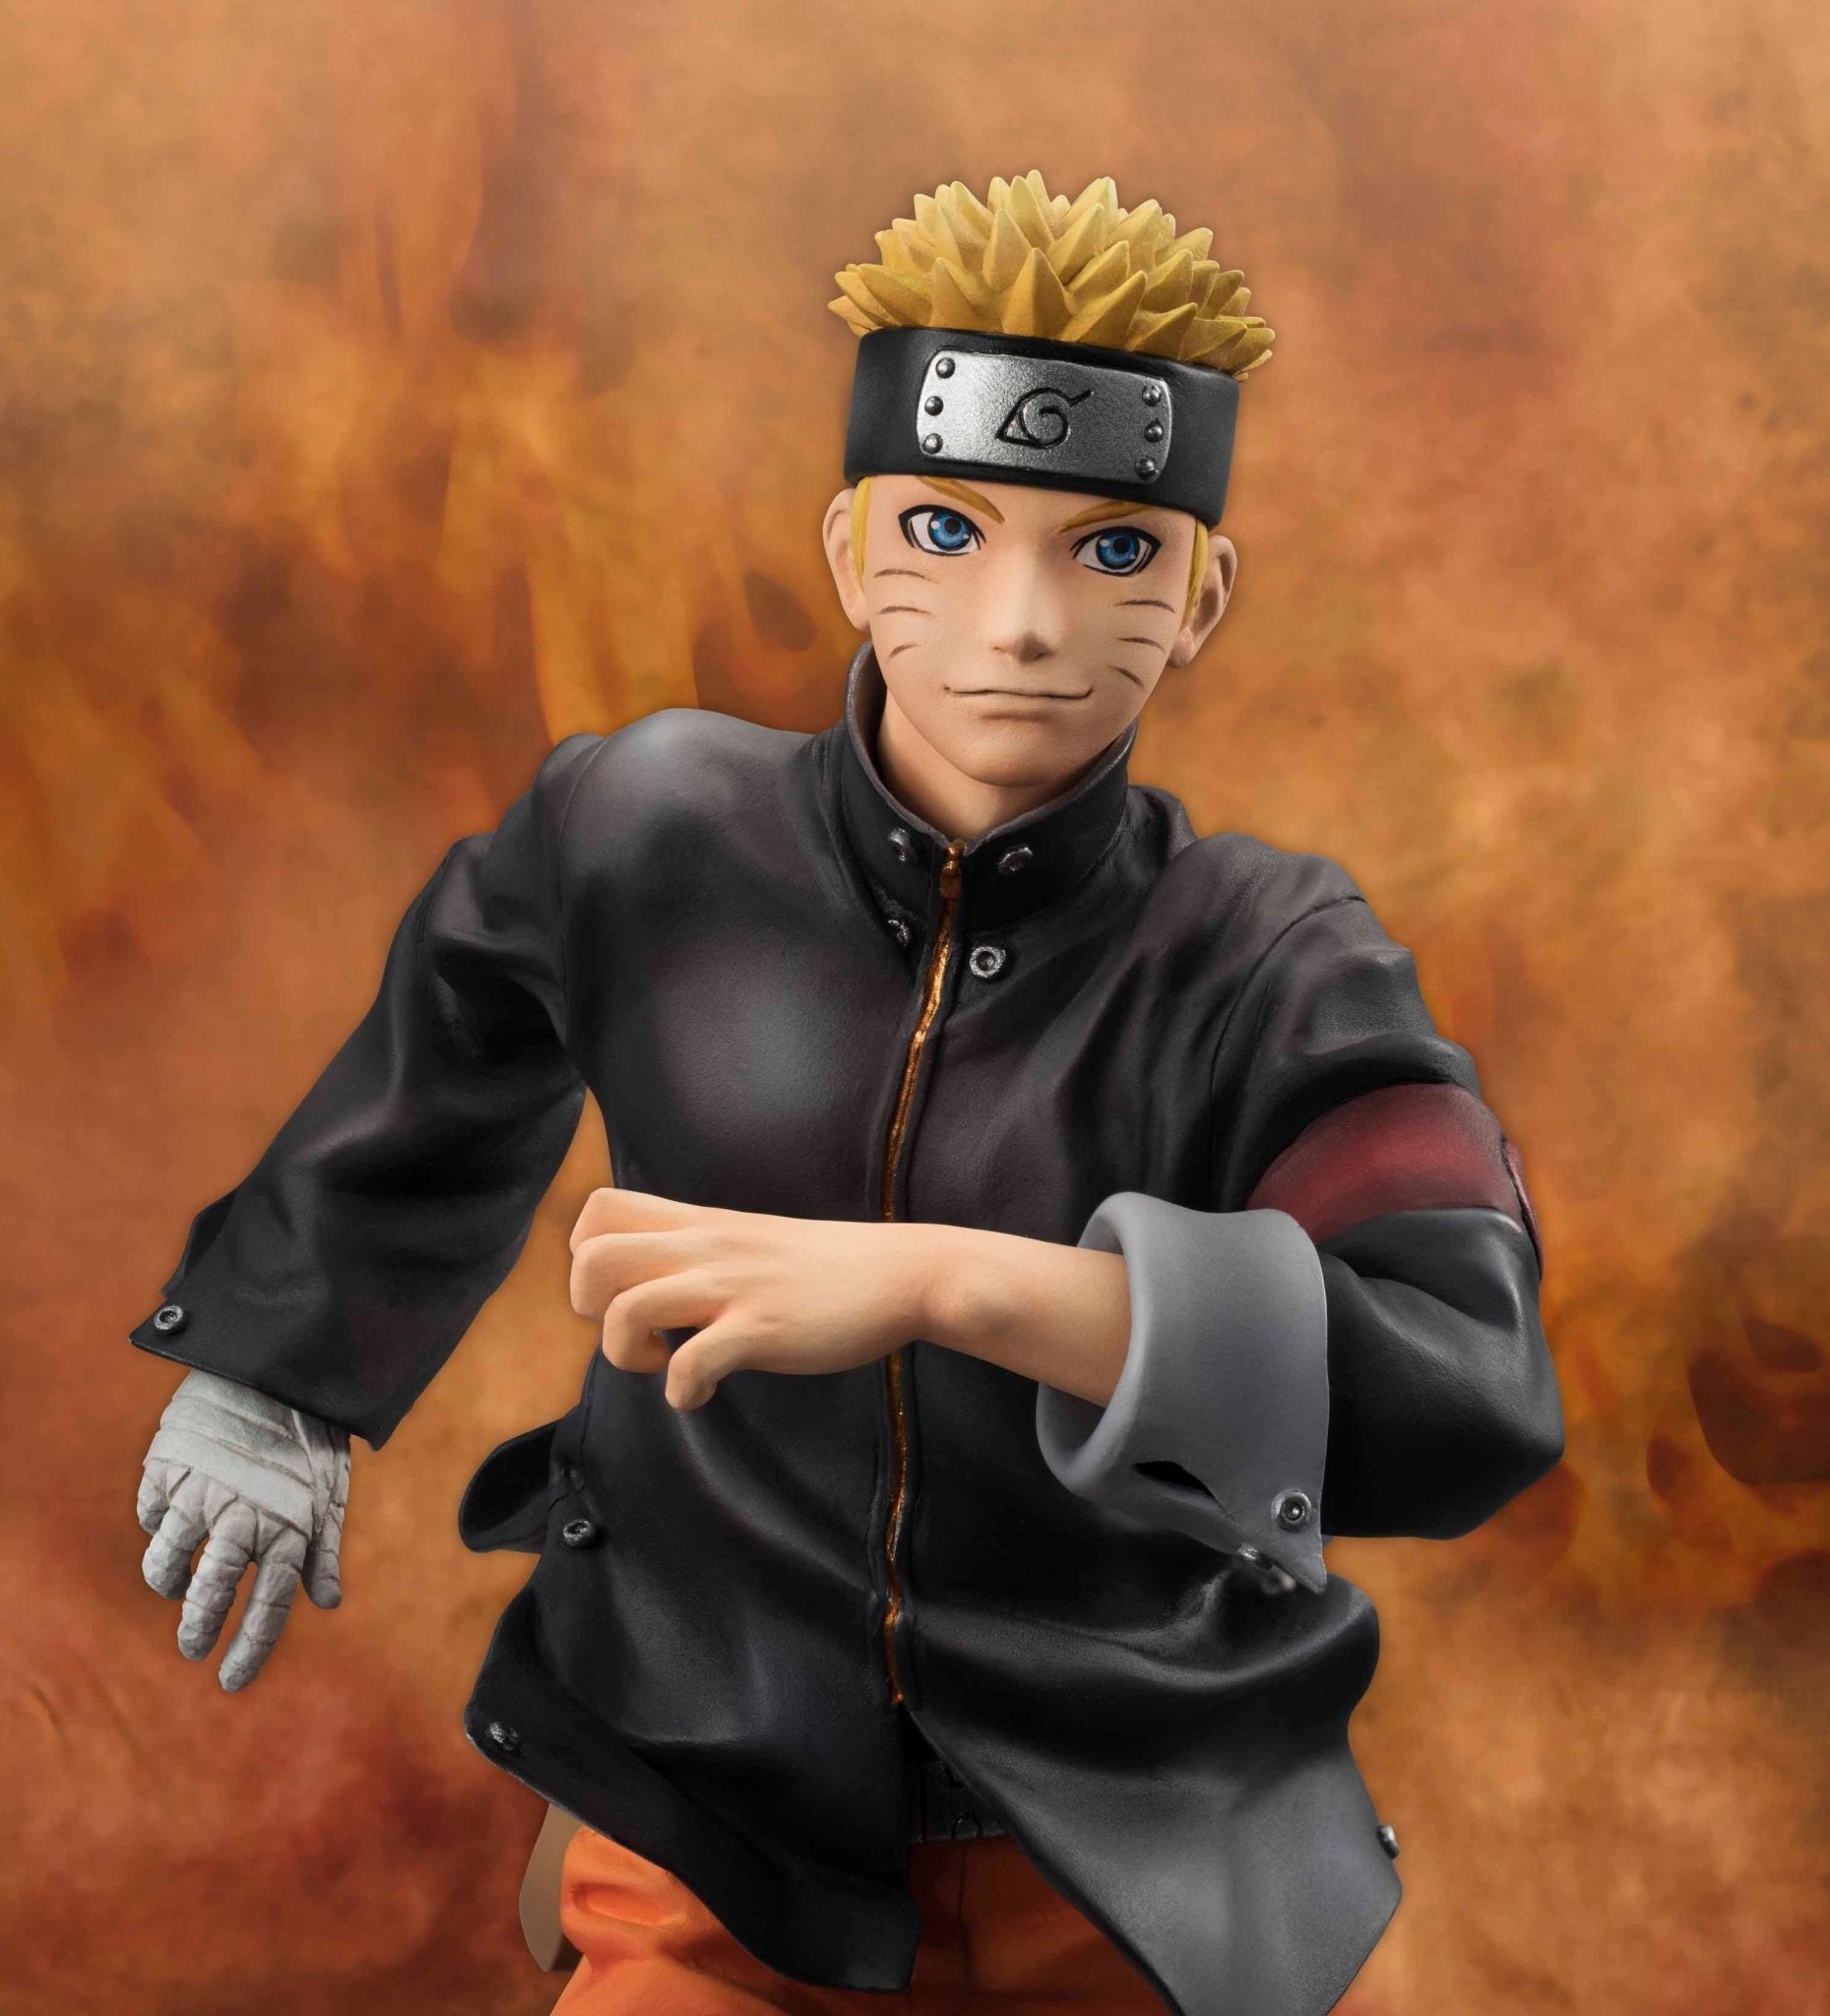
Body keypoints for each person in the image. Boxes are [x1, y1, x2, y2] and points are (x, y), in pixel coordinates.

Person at [131, 172, 1563, 2016]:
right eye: (947, 532)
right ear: (845, 548)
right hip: (711, 1823)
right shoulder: (644, 829)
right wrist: (276, 1374)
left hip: (1138, 1858)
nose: (1020, 623)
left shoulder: (1275, 958)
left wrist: (960, 1285)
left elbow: (1466, 1384)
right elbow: (452, 1034)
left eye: (1113, 552)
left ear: (1204, 594)